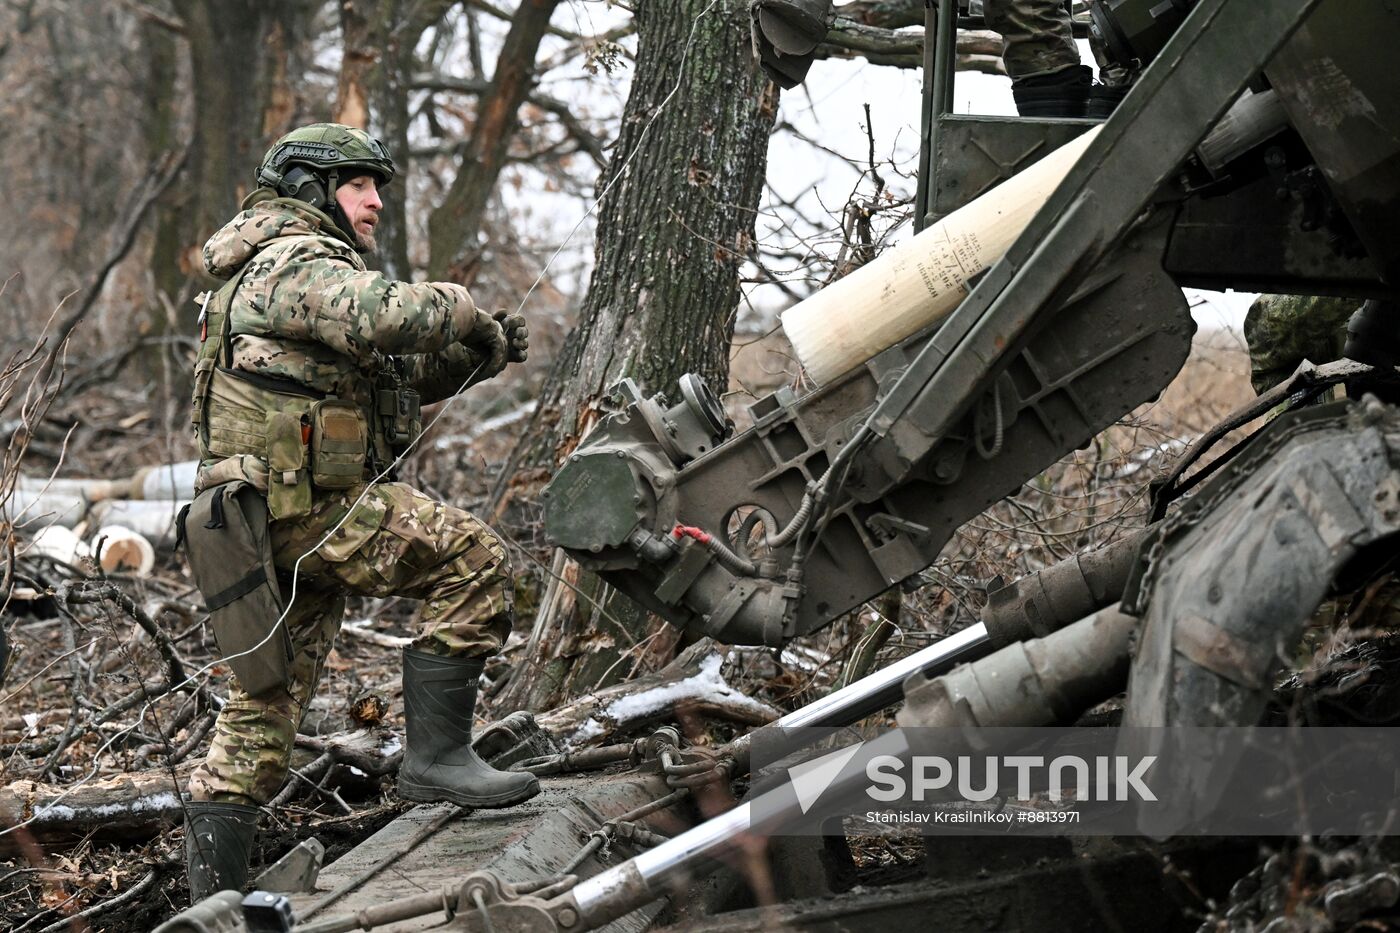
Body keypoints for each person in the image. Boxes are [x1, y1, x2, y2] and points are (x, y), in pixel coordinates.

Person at [181, 123, 537, 901]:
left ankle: (211, 907)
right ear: (311, 189)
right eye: (357, 185)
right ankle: (437, 759)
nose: (375, 202)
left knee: (259, 720)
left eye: (376, 187)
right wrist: (464, 308)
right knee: (474, 559)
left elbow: (390, 381)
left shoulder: (276, 272)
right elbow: (387, 316)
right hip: (306, 509)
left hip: (266, 521)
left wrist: (480, 354)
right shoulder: (293, 255)